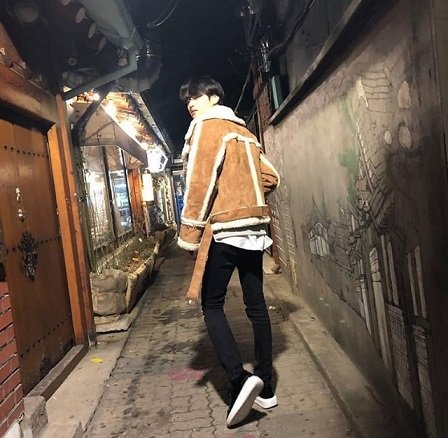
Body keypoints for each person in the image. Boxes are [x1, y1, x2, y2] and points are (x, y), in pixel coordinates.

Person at [177, 76, 280, 427]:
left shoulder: (207, 127)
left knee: (212, 305)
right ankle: (266, 385)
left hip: (223, 232)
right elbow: (271, 177)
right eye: (187, 100)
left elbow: (199, 183)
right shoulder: (245, 132)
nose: (191, 103)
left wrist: (190, 234)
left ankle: (239, 382)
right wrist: (245, 196)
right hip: (254, 231)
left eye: (196, 96)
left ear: (213, 97)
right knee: (256, 306)